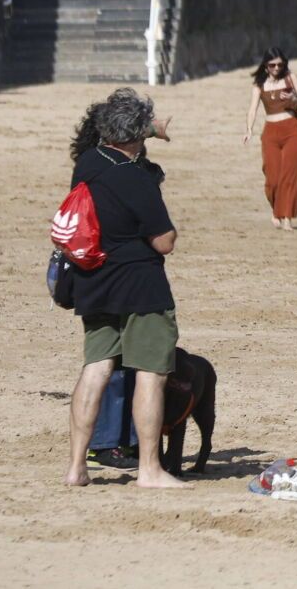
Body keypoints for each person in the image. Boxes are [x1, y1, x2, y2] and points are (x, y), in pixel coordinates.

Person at [62, 89, 183, 488]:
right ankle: (149, 469)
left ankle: (77, 467)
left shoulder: (88, 162)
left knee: (95, 369)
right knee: (150, 373)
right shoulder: (136, 178)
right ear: (137, 135)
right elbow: (163, 241)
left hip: (94, 280)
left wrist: (147, 129)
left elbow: (109, 130)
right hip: (140, 285)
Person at [242, 49, 297, 230]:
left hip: (291, 131)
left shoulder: (290, 78)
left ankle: (287, 218)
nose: (277, 68)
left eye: (280, 64)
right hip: (270, 133)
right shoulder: (259, 84)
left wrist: (293, 98)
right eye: (272, 65)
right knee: (272, 179)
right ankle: (276, 211)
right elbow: (252, 109)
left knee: (290, 176)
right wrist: (249, 129)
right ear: (266, 66)